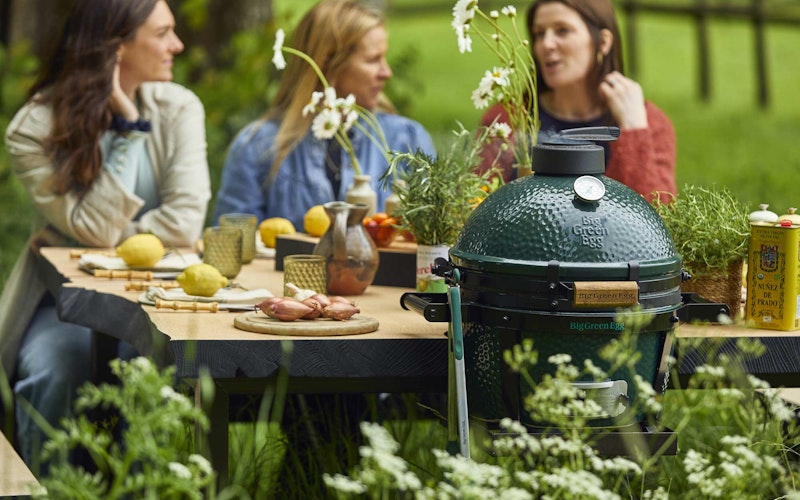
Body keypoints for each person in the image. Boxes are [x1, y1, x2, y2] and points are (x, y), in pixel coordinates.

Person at [0, 0, 210, 473]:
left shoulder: (179, 107)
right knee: (59, 369)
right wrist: (129, 129)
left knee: (148, 373)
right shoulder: (34, 127)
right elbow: (104, 229)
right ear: (116, 48)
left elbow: (184, 224)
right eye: (162, 33)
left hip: (162, 300)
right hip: (65, 302)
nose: (177, 45)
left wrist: (75, 235)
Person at [213, 0, 436, 230]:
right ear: (328, 64)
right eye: (372, 60)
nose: (386, 72)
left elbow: (434, 241)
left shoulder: (406, 140)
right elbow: (234, 242)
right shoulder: (258, 147)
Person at [478, 0, 676, 202]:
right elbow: (474, 207)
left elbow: (659, 218)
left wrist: (633, 129)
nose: (546, 44)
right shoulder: (506, 119)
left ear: (604, 42)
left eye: (562, 30)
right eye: (539, 34)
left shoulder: (648, 122)